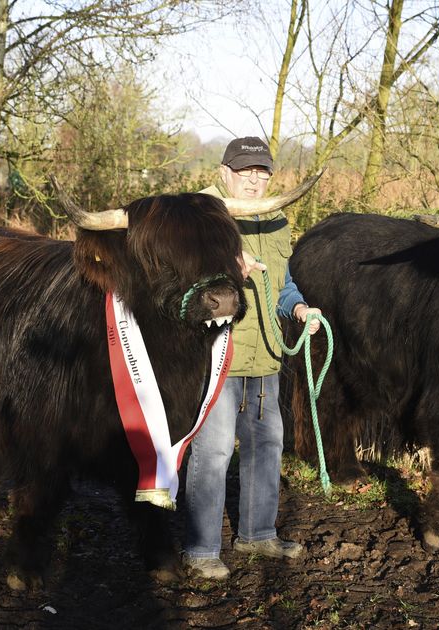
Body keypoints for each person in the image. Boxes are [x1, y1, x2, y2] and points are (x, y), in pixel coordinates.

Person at [182, 136, 322, 580]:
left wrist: (299, 308)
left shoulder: (277, 220)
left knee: (266, 448)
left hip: (266, 357)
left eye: (262, 172)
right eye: (245, 171)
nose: (255, 180)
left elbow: (283, 283)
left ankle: (258, 535)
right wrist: (228, 272)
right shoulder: (198, 219)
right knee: (215, 450)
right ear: (223, 172)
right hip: (217, 360)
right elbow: (184, 289)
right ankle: (201, 549)